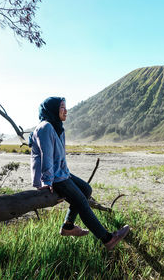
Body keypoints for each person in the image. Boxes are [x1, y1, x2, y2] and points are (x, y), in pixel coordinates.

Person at [29, 97, 129, 250]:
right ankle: (107, 238)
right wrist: (47, 182)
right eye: (62, 107)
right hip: (53, 177)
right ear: (53, 109)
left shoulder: (57, 127)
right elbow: (46, 156)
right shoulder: (45, 128)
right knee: (81, 201)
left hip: (60, 173)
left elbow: (59, 157)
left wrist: (65, 174)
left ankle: (68, 226)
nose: (66, 110)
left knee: (86, 189)